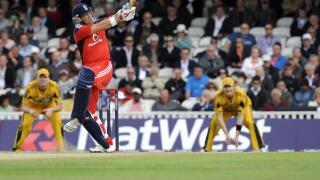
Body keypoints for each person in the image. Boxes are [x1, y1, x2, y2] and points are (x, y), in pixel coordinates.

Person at [63, 3, 136, 153]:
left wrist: (123, 12)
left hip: (104, 67)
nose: (90, 16)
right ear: (78, 19)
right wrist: (119, 17)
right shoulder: (79, 31)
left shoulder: (98, 22)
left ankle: (75, 116)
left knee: (85, 73)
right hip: (90, 71)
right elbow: (101, 25)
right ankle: (106, 144)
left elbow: (108, 21)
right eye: (85, 15)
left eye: (90, 13)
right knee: (87, 113)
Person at [204, 77, 265, 152]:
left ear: (234, 86)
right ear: (222, 88)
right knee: (214, 123)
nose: (227, 89)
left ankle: (259, 147)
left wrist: (236, 135)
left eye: (229, 86)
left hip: (243, 108)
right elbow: (220, 118)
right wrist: (226, 134)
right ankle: (207, 148)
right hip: (226, 109)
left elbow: (240, 116)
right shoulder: (218, 97)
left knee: (249, 122)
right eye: (225, 87)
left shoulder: (241, 94)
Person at [12, 68, 64, 152]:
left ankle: (61, 148)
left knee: (57, 121)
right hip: (33, 107)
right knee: (25, 125)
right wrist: (30, 111)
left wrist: (51, 110)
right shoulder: (30, 87)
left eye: (45, 77)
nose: (43, 79)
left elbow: (60, 106)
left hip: (49, 106)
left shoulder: (54, 86)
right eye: (40, 77)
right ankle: (18, 148)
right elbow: (23, 106)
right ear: (37, 78)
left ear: (48, 78)